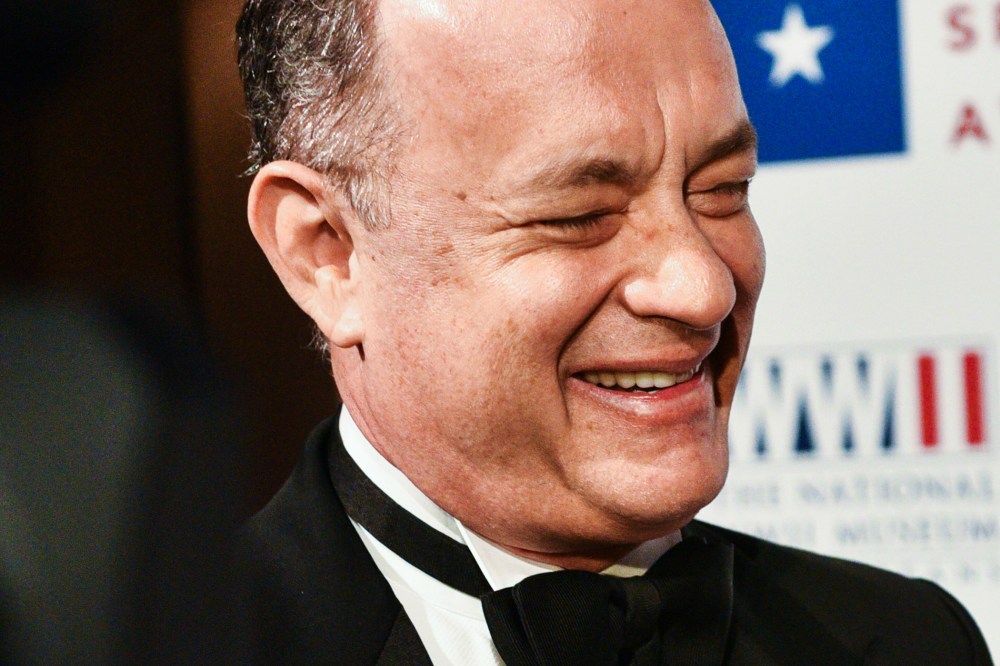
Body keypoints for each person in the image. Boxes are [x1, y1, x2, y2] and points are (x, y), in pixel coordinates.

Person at [235, 0, 993, 663]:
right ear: (326, 254)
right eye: (579, 216)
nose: (704, 287)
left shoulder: (913, 640)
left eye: (724, 191)